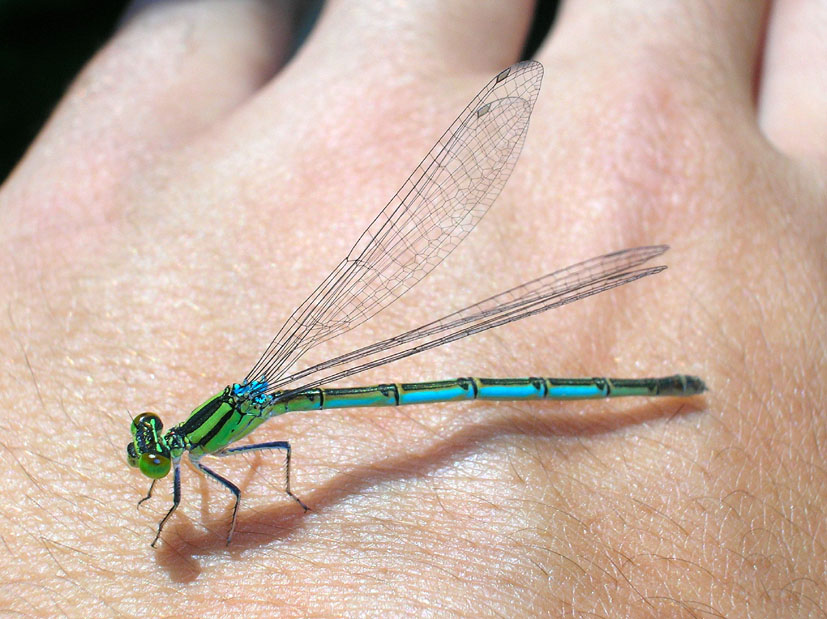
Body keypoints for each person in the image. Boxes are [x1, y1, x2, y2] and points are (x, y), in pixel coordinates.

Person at [0, 1, 823, 615]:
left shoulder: (197, 454)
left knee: (462, 390)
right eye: (154, 453)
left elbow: (251, 472)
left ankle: (664, 382)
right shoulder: (192, 453)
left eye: (154, 452)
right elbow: (238, 469)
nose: (156, 456)